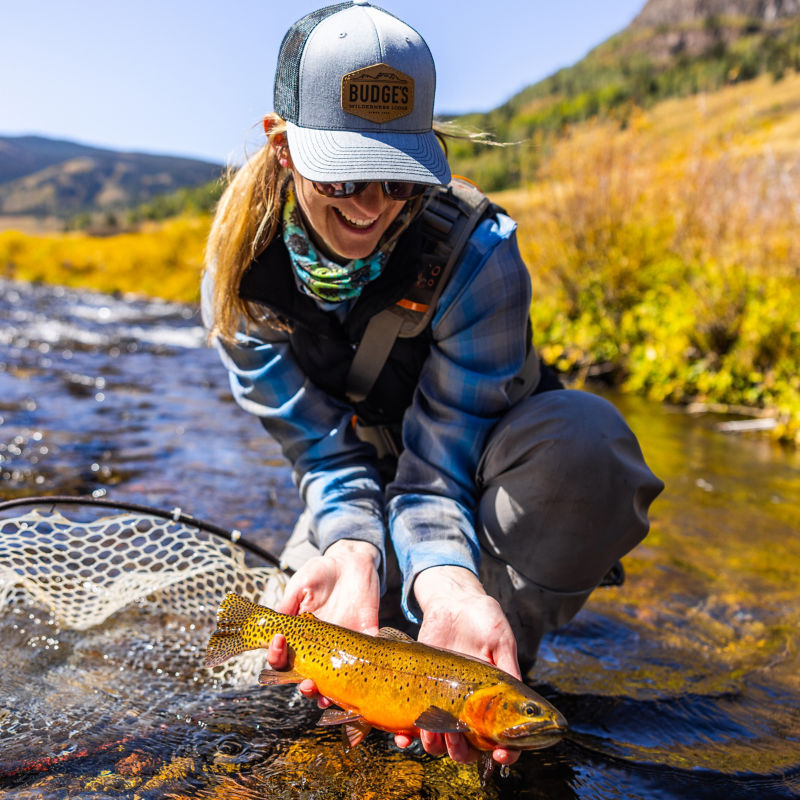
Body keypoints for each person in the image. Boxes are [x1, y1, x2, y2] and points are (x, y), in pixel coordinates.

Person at [201, 0, 663, 770]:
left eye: (397, 176)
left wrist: (449, 588)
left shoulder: (480, 257)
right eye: (346, 178)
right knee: (271, 677)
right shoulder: (242, 278)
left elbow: (439, 467)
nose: (373, 208)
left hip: (475, 483)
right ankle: (392, 631)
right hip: (353, 493)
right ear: (282, 149)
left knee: (590, 444)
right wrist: (351, 550)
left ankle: (483, 653)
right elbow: (324, 459)